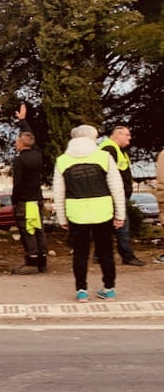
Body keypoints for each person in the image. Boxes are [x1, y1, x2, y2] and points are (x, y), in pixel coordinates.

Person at [53, 125, 126, 302]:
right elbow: (117, 188)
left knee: (80, 252)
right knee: (106, 251)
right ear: (92, 138)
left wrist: (62, 217)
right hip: (103, 210)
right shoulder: (104, 157)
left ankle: (81, 290)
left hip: (76, 211)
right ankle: (109, 288)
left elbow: (58, 192)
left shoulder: (62, 160)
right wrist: (120, 215)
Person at [11, 104, 48, 275]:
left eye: (17, 140)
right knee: (39, 228)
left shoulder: (20, 160)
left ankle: (31, 260)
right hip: (37, 197)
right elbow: (31, 137)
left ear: (20, 143)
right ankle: (42, 260)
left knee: (27, 229)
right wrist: (23, 121)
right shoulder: (38, 154)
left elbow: (17, 183)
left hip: (25, 200)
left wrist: (14, 200)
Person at [100, 125, 144, 266]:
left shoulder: (118, 150)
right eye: (127, 134)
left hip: (117, 194)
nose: (129, 137)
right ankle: (127, 256)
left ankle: (99, 254)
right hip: (115, 195)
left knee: (108, 225)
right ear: (117, 134)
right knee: (122, 225)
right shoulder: (109, 149)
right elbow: (107, 173)